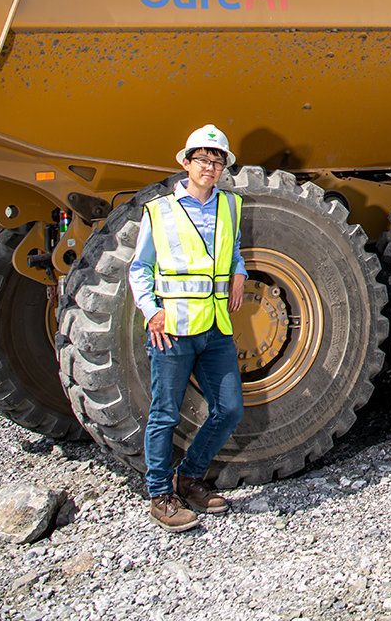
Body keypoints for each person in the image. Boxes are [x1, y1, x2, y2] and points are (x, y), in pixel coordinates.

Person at [127, 123, 247, 532]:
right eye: (202, 159)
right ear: (186, 162)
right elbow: (140, 267)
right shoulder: (160, 210)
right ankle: (160, 494)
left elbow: (231, 252)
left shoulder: (230, 205)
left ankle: (190, 477)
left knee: (229, 408)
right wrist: (150, 310)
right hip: (173, 329)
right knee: (164, 414)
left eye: (217, 161)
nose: (210, 167)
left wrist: (241, 273)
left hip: (215, 327)